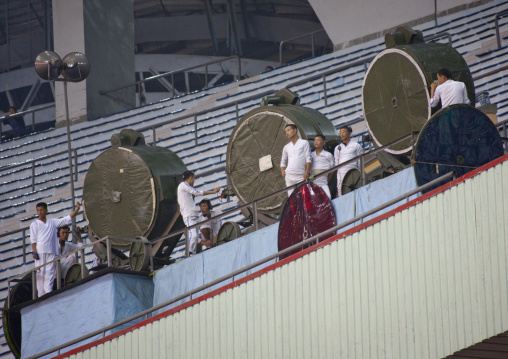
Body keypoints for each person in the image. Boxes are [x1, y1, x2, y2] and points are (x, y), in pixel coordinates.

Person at [30, 202, 80, 297]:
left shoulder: (52, 222)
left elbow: (66, 220)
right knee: (41, 276)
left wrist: (77, 209)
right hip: (40, 253)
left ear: (46, 210)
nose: (39, 212)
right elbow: (33, 239)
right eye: (38, 210)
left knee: (49, 275)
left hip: (51, 253)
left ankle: (48, 294)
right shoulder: (35, 224)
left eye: (41, 210)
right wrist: (34, 251)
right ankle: (41, 296)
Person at [177, 170, 220, 256]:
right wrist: (212, 192)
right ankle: (190, 253)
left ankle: (206, 245)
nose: (193, 182)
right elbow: (196, 192)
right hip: (189, 216)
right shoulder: (183, 185)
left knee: (204, 228)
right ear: (191, 178)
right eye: (193, 179)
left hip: (195, 216)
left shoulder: (185, 189)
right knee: (194, 236)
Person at [280, 124, 312, 196]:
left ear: (295, 130)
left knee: (305, 195)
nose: (287, 133)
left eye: (288, 130)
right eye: (285, 131)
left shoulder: (304, 143)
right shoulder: (286, 147)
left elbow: (308, 158)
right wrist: (283, 170)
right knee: (291, 197)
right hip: (289, 176)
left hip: (301, 175)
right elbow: (283, 160)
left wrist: (307, 171)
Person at [334, 125, 364, 197]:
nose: (342, 134)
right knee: (342, 193)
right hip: (341, 173)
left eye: (344, 132)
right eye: (340, 132)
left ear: (349, 133)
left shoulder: (356, 145)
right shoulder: (338, 148)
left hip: (353, 172)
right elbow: (337, 163)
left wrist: (359, 172)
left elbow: (360, 160)